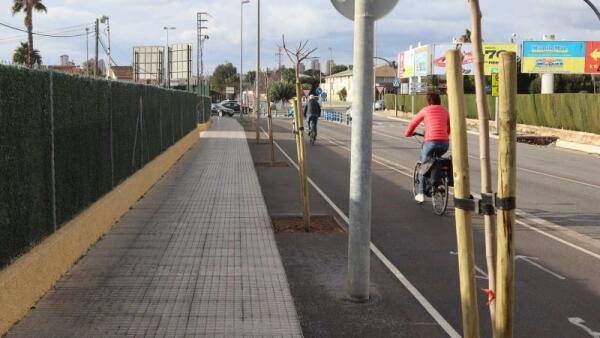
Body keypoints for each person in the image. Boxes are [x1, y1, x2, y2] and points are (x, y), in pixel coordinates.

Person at [404, 93, 450, 203]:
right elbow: (449, 126)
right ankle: (440, 182)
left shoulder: (425, 110)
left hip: (430, 142)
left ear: (428, 102)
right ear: (440, 101)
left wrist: (408, 133)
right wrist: (445, 135)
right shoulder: (445, 111)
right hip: (444, 143)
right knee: (438, 160)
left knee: (424, 166)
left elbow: (413, 123)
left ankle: (421, 193)